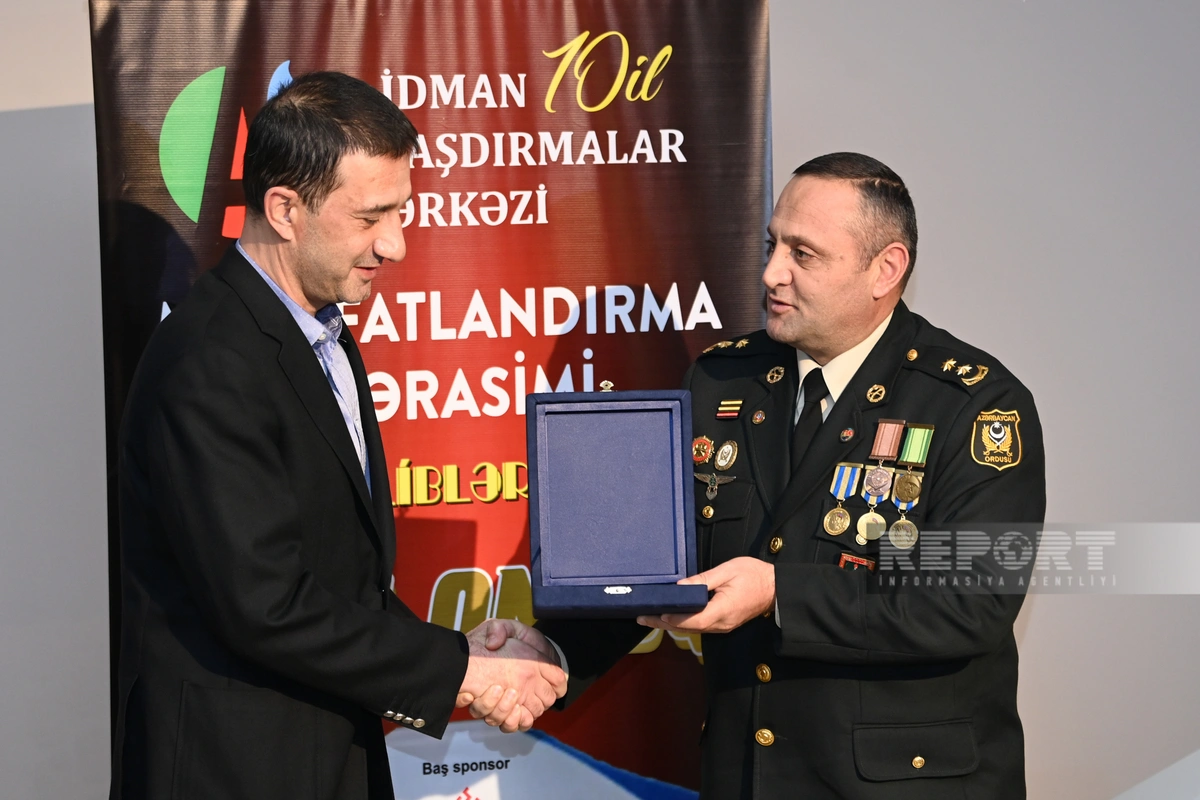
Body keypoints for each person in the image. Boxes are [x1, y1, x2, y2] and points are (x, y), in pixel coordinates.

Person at [475, 153, 1045, 799]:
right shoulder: (723, 380)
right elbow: (657, 568)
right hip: (748, 776)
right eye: (773, 244)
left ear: (885, 269)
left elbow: (971, 601)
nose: (772, 272)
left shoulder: (974, 405)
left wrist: (780, 593)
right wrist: (550, 655)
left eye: (804, 254)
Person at [110, 71, 564, 800]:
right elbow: (266, 603)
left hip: (327, 750)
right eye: (370, 216)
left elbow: (337, 575)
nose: (397, 244)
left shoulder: (319, 331)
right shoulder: (209, 362)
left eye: (401, 210)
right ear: (284, 210)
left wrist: (453, 652)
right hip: (235, 771)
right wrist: (462, 673)